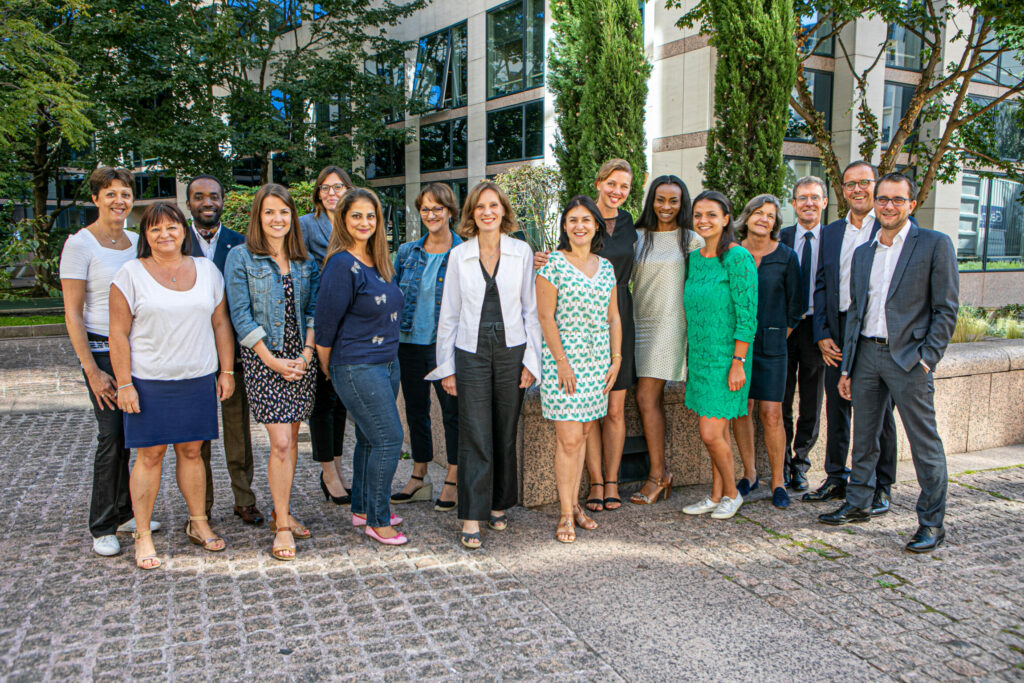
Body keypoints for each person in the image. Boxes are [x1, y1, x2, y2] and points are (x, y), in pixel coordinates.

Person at [820, 173, 958, 554]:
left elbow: (946, 310)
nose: (888, 206)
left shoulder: (933, 245)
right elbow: (857, 314)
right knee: (864, 435)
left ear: (911, 204)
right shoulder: (865, 252)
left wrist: (928, 359)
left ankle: (931, 523)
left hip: (909, 360)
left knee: (923, 443)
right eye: (883, 199)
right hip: (865, 355)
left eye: (898, 200)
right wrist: (847, 367)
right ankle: (859, 502)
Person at [108, 202, 235, 569]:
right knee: (150, 456)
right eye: (155, 229)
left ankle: (198, 522)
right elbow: (118, 334)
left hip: (196, 378)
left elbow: (221, 324)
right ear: (145, 236)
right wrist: (124, 383)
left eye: (172, 227)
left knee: (192, 453)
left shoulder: (207, 270)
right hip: (149, 382)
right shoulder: (129, 274)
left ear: (184, 230)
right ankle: (143, 534)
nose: (165, 234)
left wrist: (225, 372)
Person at [427, 182, 542, 550]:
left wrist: (531, 361)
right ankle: (471, 515)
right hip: (470, 352)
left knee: (504, 431)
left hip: (512, 350)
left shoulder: (521, 251)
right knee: (474, 431)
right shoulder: (459, 256)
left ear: (503, 211)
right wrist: (446, 367)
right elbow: (449, 314)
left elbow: (530, 310)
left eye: (494, 206)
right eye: (480, 207)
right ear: (472, 214)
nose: (487, 212)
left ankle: (497, 504)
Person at [60, 166, 158, 558]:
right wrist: (92, 369)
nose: (119, 201)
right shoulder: (80, 244)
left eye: (125, 194)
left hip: (138, 349)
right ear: (96, 198)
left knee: (135, 435)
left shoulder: (137, 240)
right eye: (110, 194)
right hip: (101, 350)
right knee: (111, 437)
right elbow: (72, 313)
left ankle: (128, 511)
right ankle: (103, 524)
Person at [535, 159, 636, 511]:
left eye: (586, 220)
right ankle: (571, 508)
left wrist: (617, 358)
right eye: (573, 220)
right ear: (565, 225)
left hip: (602, 356)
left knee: (595, 425)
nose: (580, 226)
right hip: (566, 360)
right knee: (571, 437)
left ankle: (588, 496)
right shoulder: (552, 263)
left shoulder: (612, 257)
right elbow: (545, 317)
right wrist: (561, 363)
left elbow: (615, 317)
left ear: (596, 227)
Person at [225, 184, 319, 561]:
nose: (277, 219)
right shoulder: (241, 257)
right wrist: (272, 360)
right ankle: (281, 527)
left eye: (283, 212)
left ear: (292, 217)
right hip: (265, 360)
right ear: (257, 217)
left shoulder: (304, 259)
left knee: (292, 442)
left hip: (300, 360)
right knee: (279, 443)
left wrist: (308, 353)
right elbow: (240, 315)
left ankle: (284, 511)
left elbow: (313, 310)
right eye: (269, 212)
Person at [315, 188, 408, 546]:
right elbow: (325, 328)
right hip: (356, 364)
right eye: (357, 215)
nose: (365, 222)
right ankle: (378, 520)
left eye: (371, 216)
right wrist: (331, 370)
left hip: (387, 363)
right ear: (343, 219)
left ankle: (363, 508)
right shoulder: (341, 264)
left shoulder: (379, 260)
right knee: (389, 439)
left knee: (371, 439)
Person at [810, 161, 898, 513]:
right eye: (850, 184)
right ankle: (836, 477)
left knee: (879, 413)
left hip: (875, 331)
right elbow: (820, 284)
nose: (857, 189)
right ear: (841, 190)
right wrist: (821, 333)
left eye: (864, 182)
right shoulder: (831, 232)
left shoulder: (892, 226)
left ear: (875, 186)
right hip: (838, 328)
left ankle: (881, 485)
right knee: (837, 406)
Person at [186, 174, 263, 526]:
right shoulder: (173, 240)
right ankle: (201, 504)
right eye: (199, 196)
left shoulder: (240, 243)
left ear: (222, 200)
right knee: (197, 434)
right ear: (189, 203)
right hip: (190, 351)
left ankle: (244, 498)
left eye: (213, 196)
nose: (207, 202)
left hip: (233, 350)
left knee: (237, 429)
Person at [680, 191, 757, 520]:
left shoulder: (738, 257)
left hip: (729, 359)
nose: (703, 221)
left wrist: (738, 362)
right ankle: (714, 495)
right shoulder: (695, 259)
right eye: (698, 215)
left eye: (711, 215)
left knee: (710, 433)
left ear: (726, 219)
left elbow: (748, 314)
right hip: (700, 357)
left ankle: (731, 492)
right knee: (717, 434)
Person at [629, 175, 701, 509]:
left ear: (682, 203)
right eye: (660, 199)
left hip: (670, 325)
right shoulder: (637, 237)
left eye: (674, 200)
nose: (667, 207)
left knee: (646, 397)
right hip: (636, 322)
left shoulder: (691, 240)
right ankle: (663, 473)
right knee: (648, 400)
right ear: (651, 201)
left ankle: (657, 476)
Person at [392, 183, 462, 511]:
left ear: (449, 211)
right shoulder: (407, 253)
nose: (431, 215)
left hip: (444, 346)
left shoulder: (464, 253)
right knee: (416, 412)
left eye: (438, 208)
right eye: (426, 209)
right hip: (408, 344)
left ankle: (453, 477)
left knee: (452, 414)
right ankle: (419, 476)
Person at [730, 195, 803, 509]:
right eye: (758, 212)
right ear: (747, 217)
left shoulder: (786, 256)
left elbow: (795, 309)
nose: (763, 218)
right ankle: (749, 474)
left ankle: (778, 481)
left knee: (772, 414)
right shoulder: (732, 253)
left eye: (770, 215)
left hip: (772, 348)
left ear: (776, 224)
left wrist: (774, 337)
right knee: (741, 410)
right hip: (735, 348)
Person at [300, 166, 354, 506]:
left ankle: (336, 463)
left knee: (341, 398)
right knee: (322, 398)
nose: (332, 193)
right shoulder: (306, 225)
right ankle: (327, 470)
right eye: (325, 188)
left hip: (350, 320)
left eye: (338, 187)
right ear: (318, 193)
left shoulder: (354, 221)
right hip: (319, 316)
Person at [778, 177, 827, 494]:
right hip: (783, 328)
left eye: (814, 197)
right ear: (793, 204)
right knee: (780, 400)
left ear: (824, 202)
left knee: (811, 401)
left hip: (817, 329)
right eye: (802, 198)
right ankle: (781, 464)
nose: (808, 203)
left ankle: (801, 463)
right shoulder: (780, 238)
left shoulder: (835, 238)